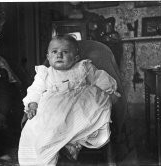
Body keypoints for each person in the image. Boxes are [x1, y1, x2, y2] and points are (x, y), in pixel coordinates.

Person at [18, 35, 120, 166]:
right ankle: (56, 148)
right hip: (54, 108)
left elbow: (100, 78)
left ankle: (73, 143)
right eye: (54, 52)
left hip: (79, 104)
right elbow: (35, 90)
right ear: (48, 57)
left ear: (76, 58)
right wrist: (32, 104)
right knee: (38, 128)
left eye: (65, 52)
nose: (59, 55)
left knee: (91, 107)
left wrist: (108, 93)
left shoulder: (83, 67)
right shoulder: (45, 73)